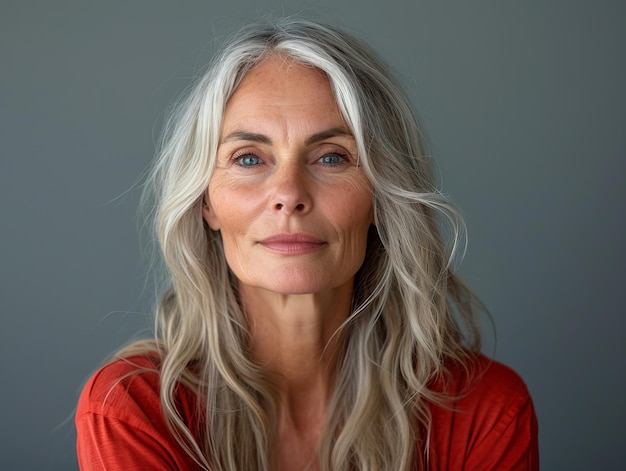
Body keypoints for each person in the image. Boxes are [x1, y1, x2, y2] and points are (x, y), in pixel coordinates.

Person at [75, 18, 538, 470]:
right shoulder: (131, 410)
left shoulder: (485, 411)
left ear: (381, 196)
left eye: (332, 156)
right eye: (249, 158)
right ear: (206, 204)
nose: (289, 194)